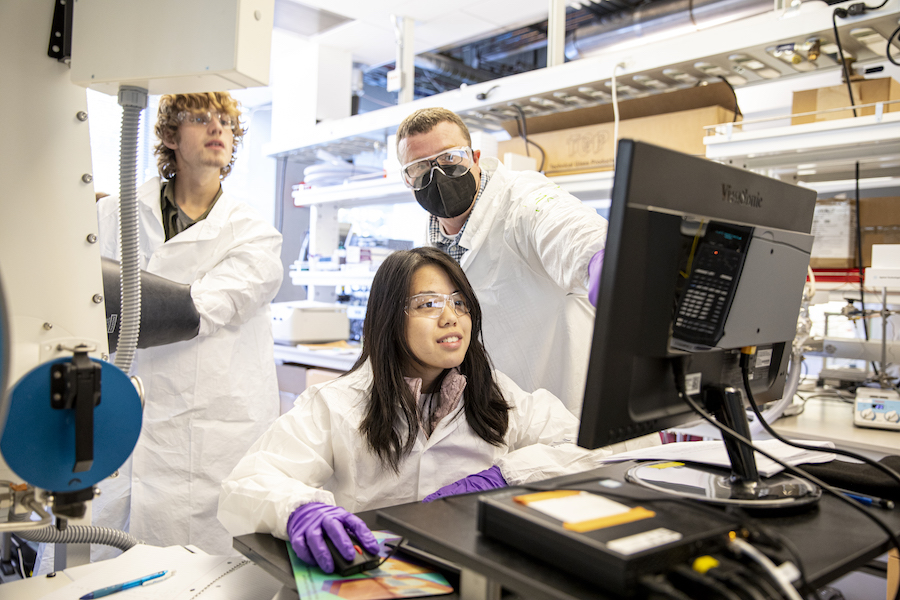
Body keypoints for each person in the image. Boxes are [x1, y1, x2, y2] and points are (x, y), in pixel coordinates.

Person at [218, 247, 620, 574]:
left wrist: (504, 476)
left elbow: (592, 446)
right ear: (390, 318)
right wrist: (301, 510)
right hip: (372, 573)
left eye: (460, 303)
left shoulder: (493, 393)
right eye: (428, 303)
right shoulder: (338, 403)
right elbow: (248, 483)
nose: (451, 317)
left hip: (473, 571)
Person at [94, 92, 283, 556]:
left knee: (199, 568)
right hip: (122, 413)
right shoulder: (114, 212)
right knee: (102, 558)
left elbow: (193, 311)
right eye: (200, 118)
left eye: (225, 121)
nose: (217, 129)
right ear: (169, 135)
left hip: (214, 427)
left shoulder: (254, 233)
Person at [396, 108, 607, 416]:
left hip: (572, 416)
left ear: (475, 157)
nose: (438, 174)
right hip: (497, 419)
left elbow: (568, 228)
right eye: (420, 168)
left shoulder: (522, 200)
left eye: (450, 159)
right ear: (407, 179)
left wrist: (601, 259)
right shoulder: (431, 243)